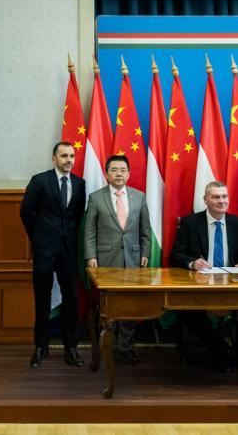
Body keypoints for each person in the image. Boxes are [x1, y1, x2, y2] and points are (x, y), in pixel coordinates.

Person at [170, 181, 238, 372]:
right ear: (205, 199)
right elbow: (175, 254)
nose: (221, 201)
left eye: (224, 197)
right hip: (200, 283)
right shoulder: (190, 223)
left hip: (232, 282)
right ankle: (219, 352)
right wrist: (192, 263)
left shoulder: (237, 223)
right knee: (190, 310)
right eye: (216, 197)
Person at [20, 141, 86, 369]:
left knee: (71, 300)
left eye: (72, 156)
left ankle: (71, 348)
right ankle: (40, 347)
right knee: (42, 299)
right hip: (44, 250)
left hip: (68, 251)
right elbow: (26, 213)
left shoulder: (79, 183)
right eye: (64, 156)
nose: (69, 160)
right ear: (54, 159)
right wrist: (38, 238)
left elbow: (76, 216)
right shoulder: (40, 181)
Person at [84, 154, 150, 364]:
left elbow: (145, 230)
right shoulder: (96, 197)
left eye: (123, 170)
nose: (118, 173)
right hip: (106, 260)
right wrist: (91, 255)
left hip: (132, 260)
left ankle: (126, 346)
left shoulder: (139, 197)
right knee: (108, 306)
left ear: (129, 174)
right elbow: (89, 231)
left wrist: (145, 253)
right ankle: (109, 347)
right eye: (114, 170)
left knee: (129, 306)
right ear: (106, 174)